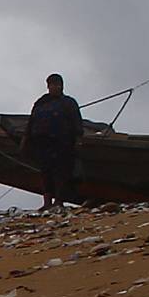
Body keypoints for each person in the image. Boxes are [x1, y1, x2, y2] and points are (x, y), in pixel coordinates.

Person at [25, 74, 85, 208]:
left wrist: (78, 140)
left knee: (61, 173)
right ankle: (47, 203)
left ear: (62, 86)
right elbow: (31, 122)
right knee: (45, 173)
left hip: (62, 143)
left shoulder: (68, 103)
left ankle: (59, 201)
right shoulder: (41, 103)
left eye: (58, 84)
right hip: (42, 144)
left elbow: (77, 122)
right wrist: (26, 139)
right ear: (48, 86)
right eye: (52, 84)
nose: (55, 87)